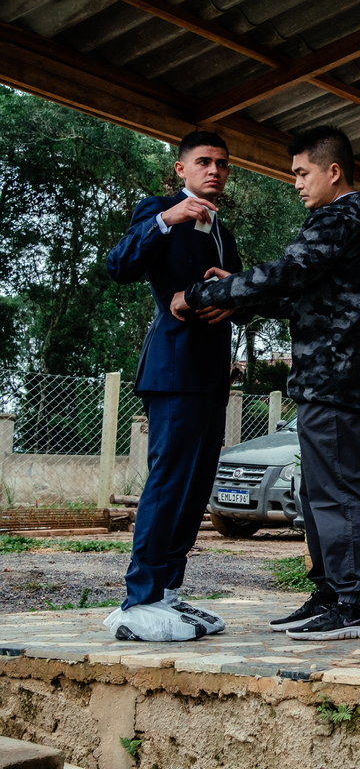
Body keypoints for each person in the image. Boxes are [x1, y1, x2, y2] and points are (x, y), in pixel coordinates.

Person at [170, 125, 360, 641]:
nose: (296, 183)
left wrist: (204, 294)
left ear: (333, 172)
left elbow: (287, 272)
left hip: (333, 375)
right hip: (328, 376)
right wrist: (238, 298)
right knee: (319, 491)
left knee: (338, 490)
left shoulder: (339, 217)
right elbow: (303, 295)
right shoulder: (353, 222)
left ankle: (351, 604)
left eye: (302, 172)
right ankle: (330, 592)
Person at [104, 131, 251, 641]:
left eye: (222, 164)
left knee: (195, 487)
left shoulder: (222, 229)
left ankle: (167, 592)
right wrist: (167, 219)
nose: (215, 170)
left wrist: (234, 300)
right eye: (204, 162)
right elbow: (119, 265)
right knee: (167, 484)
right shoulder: (158, 211)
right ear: (181, 169)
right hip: (172, 370)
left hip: (213, 376)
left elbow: (240, 295)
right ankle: (139, 598)